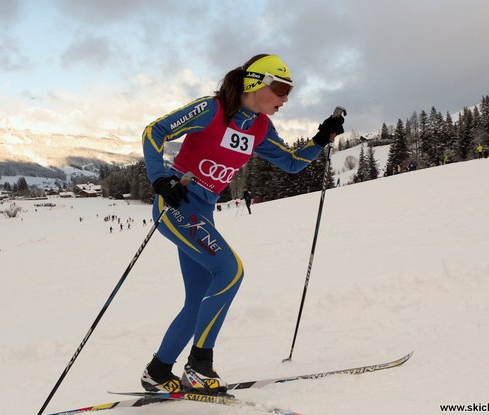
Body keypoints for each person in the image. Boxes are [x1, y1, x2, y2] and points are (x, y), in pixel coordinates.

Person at [140, 54, 345, 395]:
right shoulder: (212, 109)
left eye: (288, 91)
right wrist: (160, 178)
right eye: (280, 88)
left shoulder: (261, 127)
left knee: (198, 300)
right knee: (230, 271)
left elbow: (291, 163)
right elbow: (154, 131)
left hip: (202, 211)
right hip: (177, 202)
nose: (285, 98)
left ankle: (158, 372)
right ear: (254, 82)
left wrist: (321, 138)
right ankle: (199, 365)